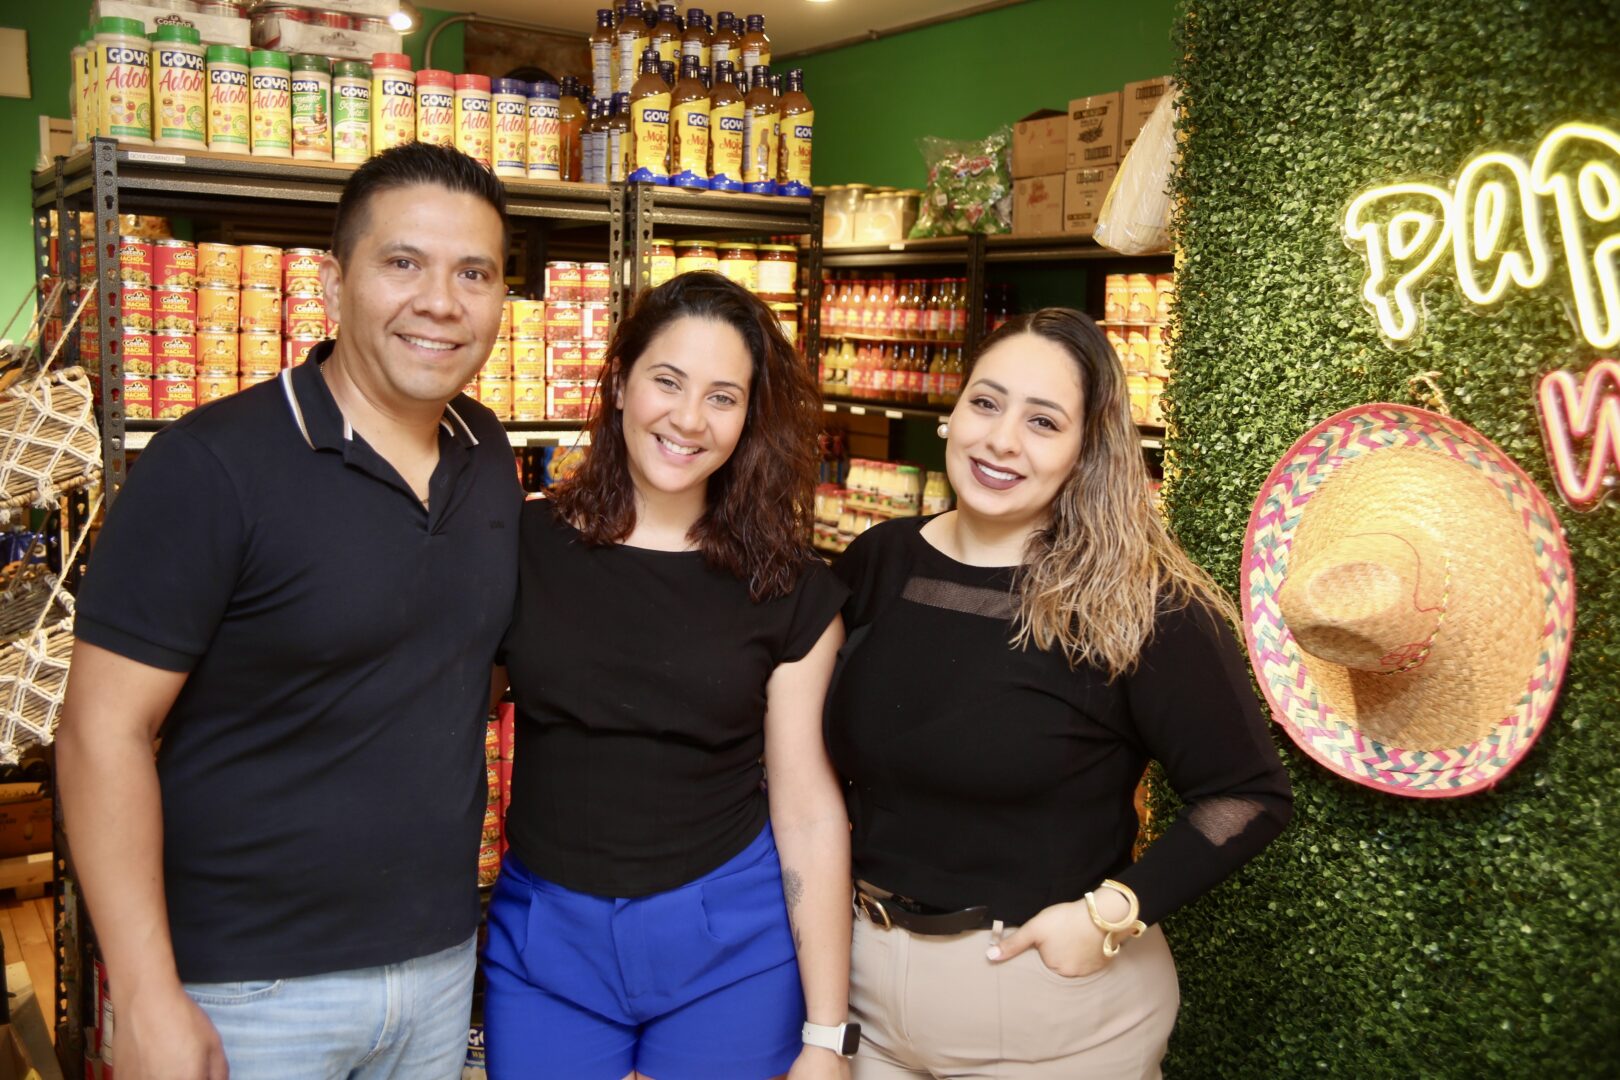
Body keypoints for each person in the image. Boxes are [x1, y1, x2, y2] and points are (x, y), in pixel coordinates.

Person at [56, 142, 522, 1080]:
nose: (441, 301)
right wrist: (146, 994)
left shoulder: (487, 454)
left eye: (473, 272)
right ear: (333, 279)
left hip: (437, 966)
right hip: (248, 991)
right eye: (403, 263)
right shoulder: (214, 463)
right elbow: (100, 730)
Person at [825, 308, 1294, 1078]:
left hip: (1052, 1017)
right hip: (868, 999)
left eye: (1043, 421)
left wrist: (1110, 914)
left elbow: (1246, 795)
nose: (1001, 439)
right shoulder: (879, 560)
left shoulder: (1141, 602)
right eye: (986, 402)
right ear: (952, 414)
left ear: (1086, 451)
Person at [484, 271, 856, 1080]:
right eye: (668, 381)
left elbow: (807, 808)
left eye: (724, 397)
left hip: (731, 947)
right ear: (619, 382)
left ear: (751, 417)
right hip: (547, 942)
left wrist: (828, 1036)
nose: (689, 420)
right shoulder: (522, 541)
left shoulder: (788, 585)